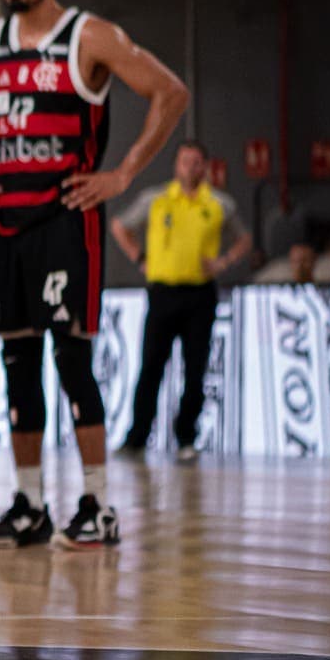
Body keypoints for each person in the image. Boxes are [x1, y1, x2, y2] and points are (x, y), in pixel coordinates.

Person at [0, 0, 188, 551]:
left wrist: (122, 174)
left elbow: (170, 92)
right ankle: (30, 505)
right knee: (18, 365)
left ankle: (97, 504)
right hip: (8, 223)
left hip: (67, 219)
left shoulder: (88, 35)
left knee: (71, 360)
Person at [111, 141, 252, 461]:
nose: (190, 167)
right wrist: (140, 258)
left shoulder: (218, 204)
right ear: (177, 165)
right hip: (163, 293)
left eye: (196, 162)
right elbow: (119, 225)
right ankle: (137, 436)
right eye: (185, 161)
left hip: (200, 294)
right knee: (150, 366)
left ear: (204, 167)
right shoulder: (157, 200)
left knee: (195, 368)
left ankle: (186, 437)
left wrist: (224, 261)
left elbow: (244, 238)